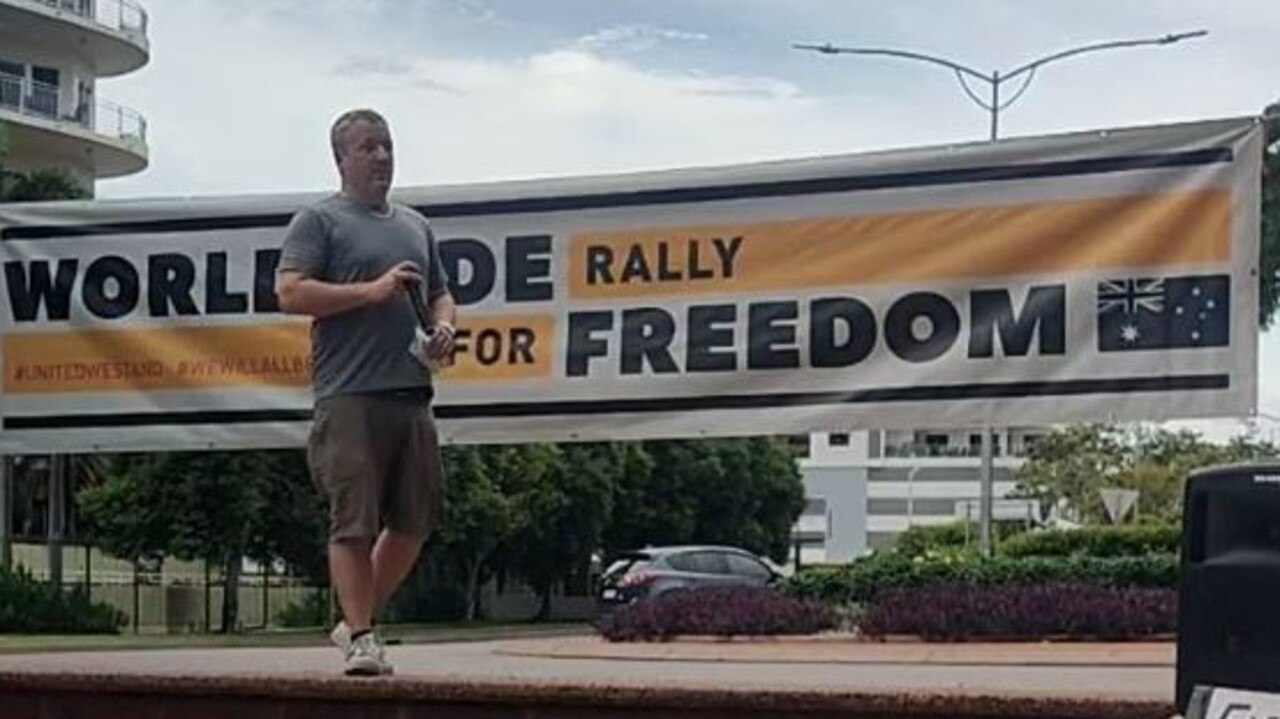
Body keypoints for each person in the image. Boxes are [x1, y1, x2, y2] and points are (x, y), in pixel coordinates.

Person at [277, 108, 456, 676]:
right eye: (368, 147)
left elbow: (441, 295)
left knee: (415, 523)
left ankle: (355, 617)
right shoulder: (319, 221)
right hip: (349, 396)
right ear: (341, 159)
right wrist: (371, 291)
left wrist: (444, 328)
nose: (381, 156)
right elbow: (290, 292)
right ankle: (361, 637)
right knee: (352, 521)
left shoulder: (416, 224)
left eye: (387, 145)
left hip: (412, 394)